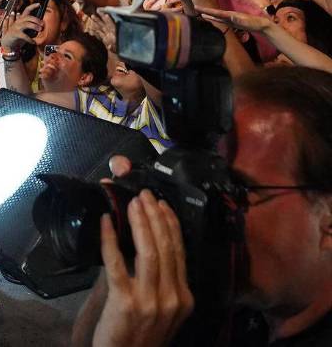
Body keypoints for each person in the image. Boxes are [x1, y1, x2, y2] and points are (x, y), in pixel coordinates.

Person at [71, 67, 332, 347]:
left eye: (234, 188)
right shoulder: (212, 284)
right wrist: (123, 249)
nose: (204, 204)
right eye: (203, 178)